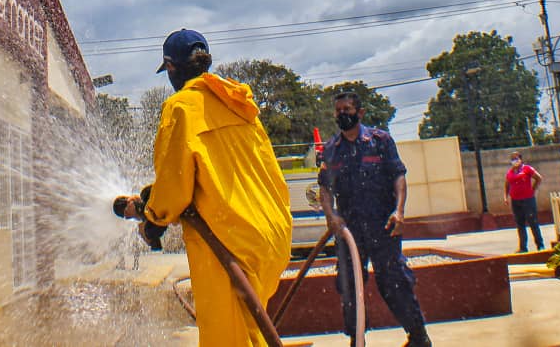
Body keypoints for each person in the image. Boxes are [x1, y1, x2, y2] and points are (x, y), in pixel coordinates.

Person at [138, 28, 292, 346]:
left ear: (171, 67)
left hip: (229, 243)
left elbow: (175, 184)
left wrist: (153, 220)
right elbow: (223, 166)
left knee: (226, 339)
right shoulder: (239, 104)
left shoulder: (180, 107)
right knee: (249, 330)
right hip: (272, 235)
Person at [318, 92, 431, 347]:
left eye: (347, 109)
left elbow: (398, 176)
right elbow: (324, 188)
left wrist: (399, 211)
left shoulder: (380, 141)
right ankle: (357, 340)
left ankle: (418, 337)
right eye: (338, 110)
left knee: (394, 282)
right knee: (350, 287)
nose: (342, 114)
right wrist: (330, 215)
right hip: (349, 231)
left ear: (360, 113)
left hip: (383, 227)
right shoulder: (331, 149)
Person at [504, 151, 545, 252]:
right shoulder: (510, 172)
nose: (515, 161)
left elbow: (538, 178)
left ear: (521, 159)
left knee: (533, 222)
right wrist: (505, 196)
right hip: (515, 201)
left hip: (527, 200)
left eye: (516, 158)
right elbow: (507, 185)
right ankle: (523, 247)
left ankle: (540, 245)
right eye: (513, 159)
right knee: (520, 224)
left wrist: (533, 189)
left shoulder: (527, 169)